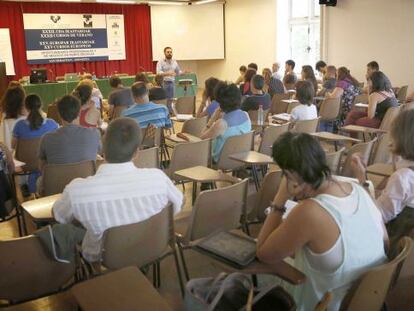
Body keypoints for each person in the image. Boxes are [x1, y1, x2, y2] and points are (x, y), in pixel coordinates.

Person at [256, 132, 387, 310]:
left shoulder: (310, 212)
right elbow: (385, 241)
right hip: (365, 300)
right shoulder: (359, 189)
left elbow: (264, 254)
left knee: (238, 282)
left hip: (323, 305)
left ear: (290, 175)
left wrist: (281, 197)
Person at [52, 117, 183, 262]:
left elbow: (59, 216)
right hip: (153, 247)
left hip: (103, 260)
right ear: (136, 152)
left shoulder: (77, 190)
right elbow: (176, 207)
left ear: (102, 149)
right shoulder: (159, 179)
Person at [351, 109, 414, 246]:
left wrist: (362, 179)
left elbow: (376, 215)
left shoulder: (403, 177)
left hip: (390, 245)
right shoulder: (404, 174)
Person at [38, 95, 101, 171]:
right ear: (79, 113)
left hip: (57, 181)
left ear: (59, 114)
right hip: (86, 180)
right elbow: (99, 152)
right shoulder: (94, 134)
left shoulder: (46, 138)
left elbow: (41, 167)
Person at [12, 95, 59, 193]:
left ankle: (29, 188)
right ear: (41, 105)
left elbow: (13, 145)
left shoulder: (19, 126)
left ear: (25, 107)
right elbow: (57, 143)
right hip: (47, 162)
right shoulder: (52, 124)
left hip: (25, 163)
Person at [201, 82, 251, 162]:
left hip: (219, 161)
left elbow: (202, 138)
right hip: (241, 158)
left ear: (220, 103)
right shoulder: (246, 115)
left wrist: (212, 119)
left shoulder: (221, 124)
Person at [0, 85, 26, 150]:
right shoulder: (26, 120)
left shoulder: (4, 119)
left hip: (9, 155)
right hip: (23, 156)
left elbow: (3, 143)